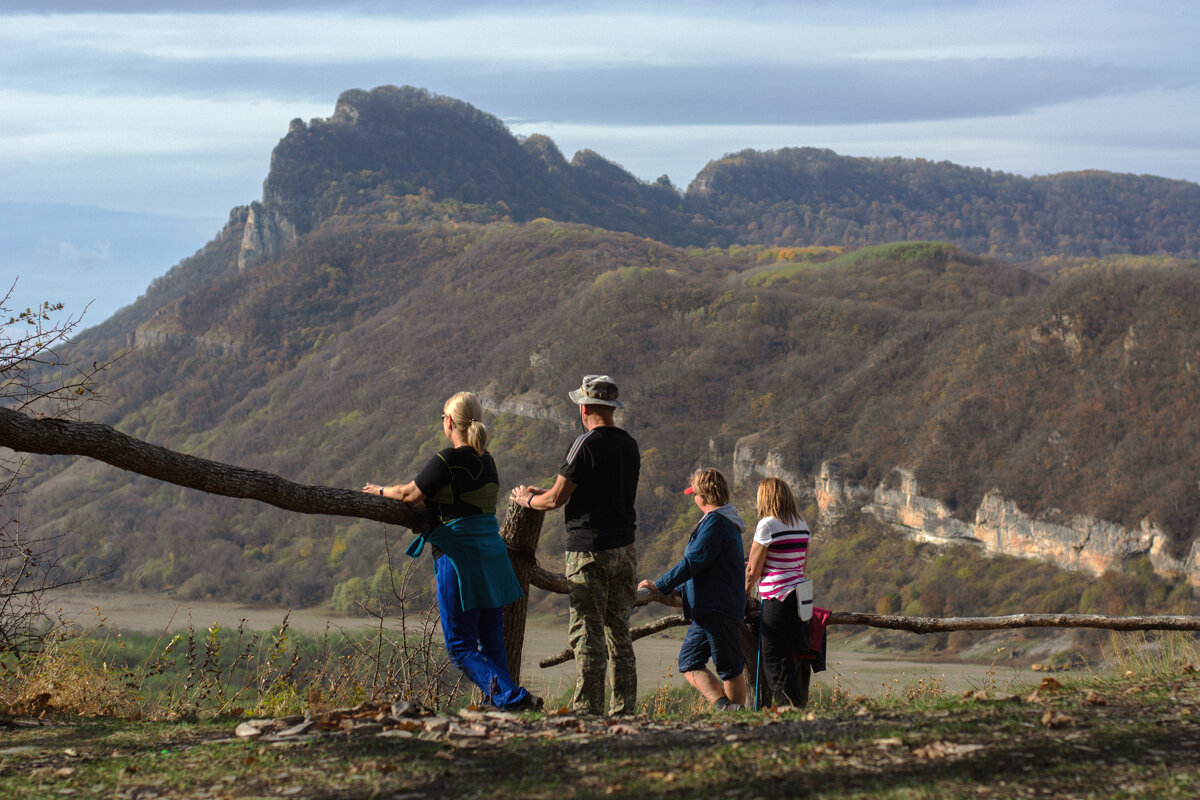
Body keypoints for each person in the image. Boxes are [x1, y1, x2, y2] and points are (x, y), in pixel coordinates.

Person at [362, 391, 540, 712]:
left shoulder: (447, 459)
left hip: (459, 559)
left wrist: (380, 490)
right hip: (492, 559)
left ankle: (513, 699)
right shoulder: (488, 460)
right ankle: (503, 704)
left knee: (460, 648)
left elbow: (409, 494)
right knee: (492, 642)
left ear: (448, 422)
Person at [510, 374, 640, 716]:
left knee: (587, 632)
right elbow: (588, 490)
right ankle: (624, 709)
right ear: (612, 408)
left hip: (589, 551)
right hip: (625, 549)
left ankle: (587, 711)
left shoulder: (586, 443)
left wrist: (526, 500)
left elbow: (555, 500)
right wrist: (548, 492)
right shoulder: (629, 445)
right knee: (619, 631)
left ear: (584, 408)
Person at [640, 468, 748, 711]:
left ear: (703, 497)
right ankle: (725, 708)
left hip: (716, 605)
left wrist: (660, 585)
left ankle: (737, 720)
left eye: (695, 494)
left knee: (729, 667)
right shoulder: (722, 522)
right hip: (708, 607)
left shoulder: (716, 523)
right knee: (689, 662)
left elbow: (694, 562)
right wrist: (679, 589)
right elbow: (704, 565)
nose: (694, 499)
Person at [744, 476, 812, 707]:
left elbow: (753, 569)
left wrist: (744, 592)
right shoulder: (802, 525)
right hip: (800, 597)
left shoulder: (767, 525)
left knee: (773, 659)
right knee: (789, 657)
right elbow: (801, 565)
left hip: (777, 597)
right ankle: (797, 706)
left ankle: (789, 709)